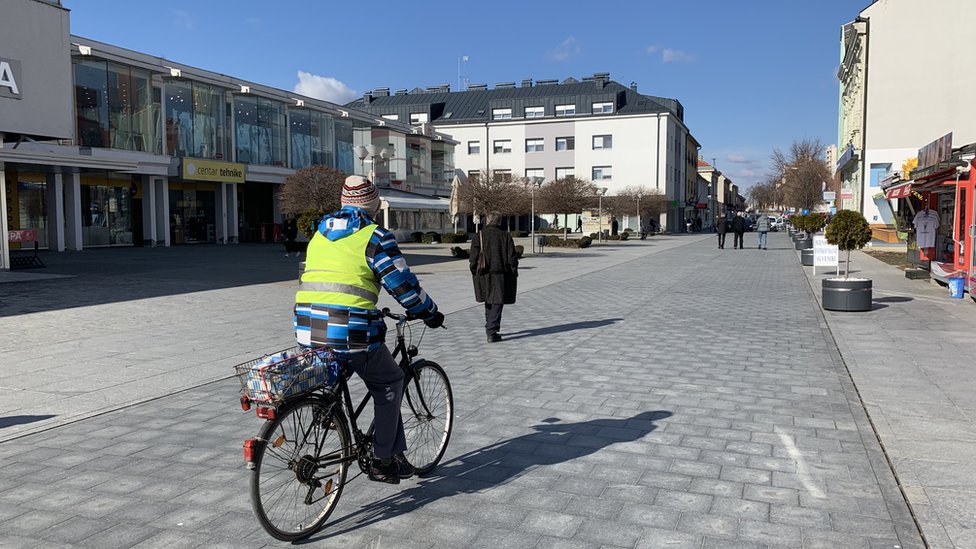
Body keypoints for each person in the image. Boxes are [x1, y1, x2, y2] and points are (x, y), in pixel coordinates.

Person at [295, 175, 444, 484]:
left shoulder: (319, 234)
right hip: (351, 331)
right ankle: (383, 460)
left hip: (308, 328)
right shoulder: (375, 236)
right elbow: (402, 286)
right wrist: (430, 313)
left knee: (342, 363)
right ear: (373, 205)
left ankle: (328, 408)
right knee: (391, 380)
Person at [469, 211, 518, 342]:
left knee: (489, 300)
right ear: (499, 221)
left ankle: (489, 328)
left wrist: (474, 270)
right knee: (497, 301)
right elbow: (512, 258)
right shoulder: (505, 236)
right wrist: (513, 270)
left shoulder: (479, 235)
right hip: (499, 274)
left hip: (483, 273)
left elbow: (473, 257)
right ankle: (491, 330)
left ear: (487, 221)